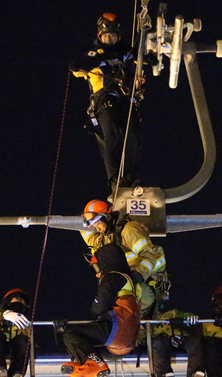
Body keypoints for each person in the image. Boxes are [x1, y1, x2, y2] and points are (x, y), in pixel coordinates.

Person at [71, 12, 143, 189]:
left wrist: (150, 58)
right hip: (104, 99)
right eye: (106, 36)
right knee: (112, 136)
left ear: (118, 36)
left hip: (126, 100)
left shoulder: (127, 53)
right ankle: (114, 179)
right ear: (100, 36)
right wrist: (83, 64)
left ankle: (131, 176)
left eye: (112, 36)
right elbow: (78, 68)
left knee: (132, 136)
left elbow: (145, 59)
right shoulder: (96, 54)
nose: (109, 39)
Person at [61, 243, 141, 377]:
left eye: (97, 267)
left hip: (116, 328)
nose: (97, 273)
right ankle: (81, 362)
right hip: (124, 342)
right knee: (80, 339)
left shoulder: (114, 277)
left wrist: (96, 307)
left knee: (70, 334)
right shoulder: (128, 279)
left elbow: (99, 307)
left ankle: (94, 363)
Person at [80, 199, 166, 318]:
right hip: (125, 282)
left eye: (98, 223)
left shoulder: (130, 230)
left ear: (108, 218)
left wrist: (140, 274)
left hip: (145, 280)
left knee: (133, 299)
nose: (97, 228)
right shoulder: (104, 239)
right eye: (93, 225)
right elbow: (87, 236)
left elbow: (149, 255)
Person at [149, 309, 206, 377]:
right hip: (164, 338)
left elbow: (185, 315)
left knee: (195, 343)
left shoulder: (176, 313)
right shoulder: (151, 320)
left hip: (183, 337)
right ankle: (164, 375)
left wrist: (189, 318)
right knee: (158, 344)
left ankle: (194, 376)